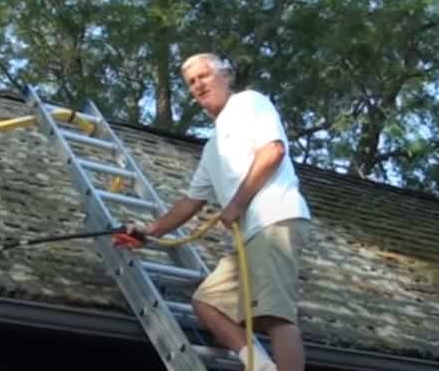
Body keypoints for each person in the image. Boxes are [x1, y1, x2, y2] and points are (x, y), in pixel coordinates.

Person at [119, 53, 312, 371]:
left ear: (225, 75)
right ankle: (262, 367)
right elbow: (190, 202)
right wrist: (149, 232)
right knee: (207, 303)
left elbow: (273, 151)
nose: (198, 85)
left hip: (274, 217)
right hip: (249, 235)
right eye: (191, 82)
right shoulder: (213, 148)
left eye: (203, 76)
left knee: (275, 313)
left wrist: (236, 203)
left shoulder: (250, 103)